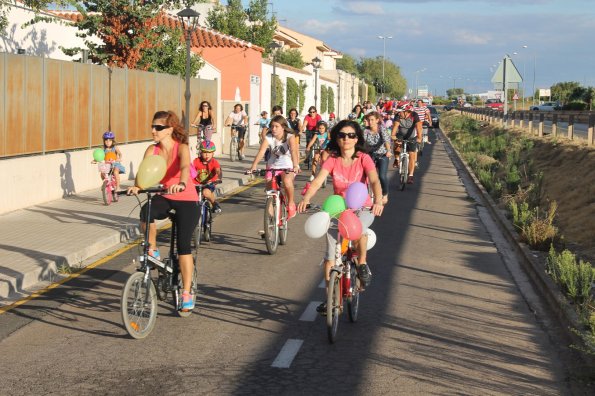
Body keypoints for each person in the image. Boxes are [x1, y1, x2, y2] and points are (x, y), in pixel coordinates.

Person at [298, 120, 384, 312]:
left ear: (357, 138)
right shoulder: (333, 159)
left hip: (362, 207)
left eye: (351, 135)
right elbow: (318, 181)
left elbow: (375, 180)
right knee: (330, 257)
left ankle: (361, 264)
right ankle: (330, 299)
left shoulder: (364, 158)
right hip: (338, 208)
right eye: (342, 135)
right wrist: (306, 198)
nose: (347, 139)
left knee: (359, 229)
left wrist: (378, 201)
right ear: (337, 139)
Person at [127, 111, 199, 311]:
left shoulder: (182, 147)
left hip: (186, 198)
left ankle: (186, 292)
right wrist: (137, 186)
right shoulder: (152, 150)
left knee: (184, 246)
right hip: (165, 196)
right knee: (146, 212)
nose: (153, 131)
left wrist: (182, 183)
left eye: (158, 127)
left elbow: (185, 167)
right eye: (152, 127)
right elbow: (143, 173)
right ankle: (153, 249)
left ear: (170, 129)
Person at [249, 115, 300, 219]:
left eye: (276, 126)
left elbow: (294, 151)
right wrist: (253, 166)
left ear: (283, 127)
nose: (273, 129)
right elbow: (262, 151)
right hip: (272, 165)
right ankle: (271, 221)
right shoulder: (269, 137)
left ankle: (290, 203)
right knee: (269, 191)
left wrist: (295, 165)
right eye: (272, 126)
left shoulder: (290, 136)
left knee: (287, 182)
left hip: (287, 164)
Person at [363, 111, 392, 204]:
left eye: (372, 120)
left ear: (377, 120)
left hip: (382, 154)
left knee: (382, 176)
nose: (370, 122)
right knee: (366, 175)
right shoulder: (365, 131)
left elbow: (386, 140)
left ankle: (385, 193)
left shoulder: (381, 129)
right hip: (370, 155)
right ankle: (365, 194)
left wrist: (388, 151)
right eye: (368, 120)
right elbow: (362, 143)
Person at [391, 103, 423, 184]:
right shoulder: (398, 115)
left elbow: (419, 126)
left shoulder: (414, 115)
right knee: (397, 144)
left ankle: (410, 176)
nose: (398, 113)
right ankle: (397, 159)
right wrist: (393, 135)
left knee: (412, 155)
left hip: (412, 136)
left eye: (400, 112)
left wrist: (419, 137)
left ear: (406, 111)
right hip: (401, 134)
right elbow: (395, 126)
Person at [192, 140, 222, 213]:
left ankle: (214, 203)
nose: (207, 155)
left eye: (209, 153)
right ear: (201, 152)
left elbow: (218, 171)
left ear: (213, 153)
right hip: (196, 184)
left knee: (206, 192)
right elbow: (190, 171)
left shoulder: (214, 162)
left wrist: (218, 178)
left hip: (209, 184)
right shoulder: (196, 161)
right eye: (204, 152)